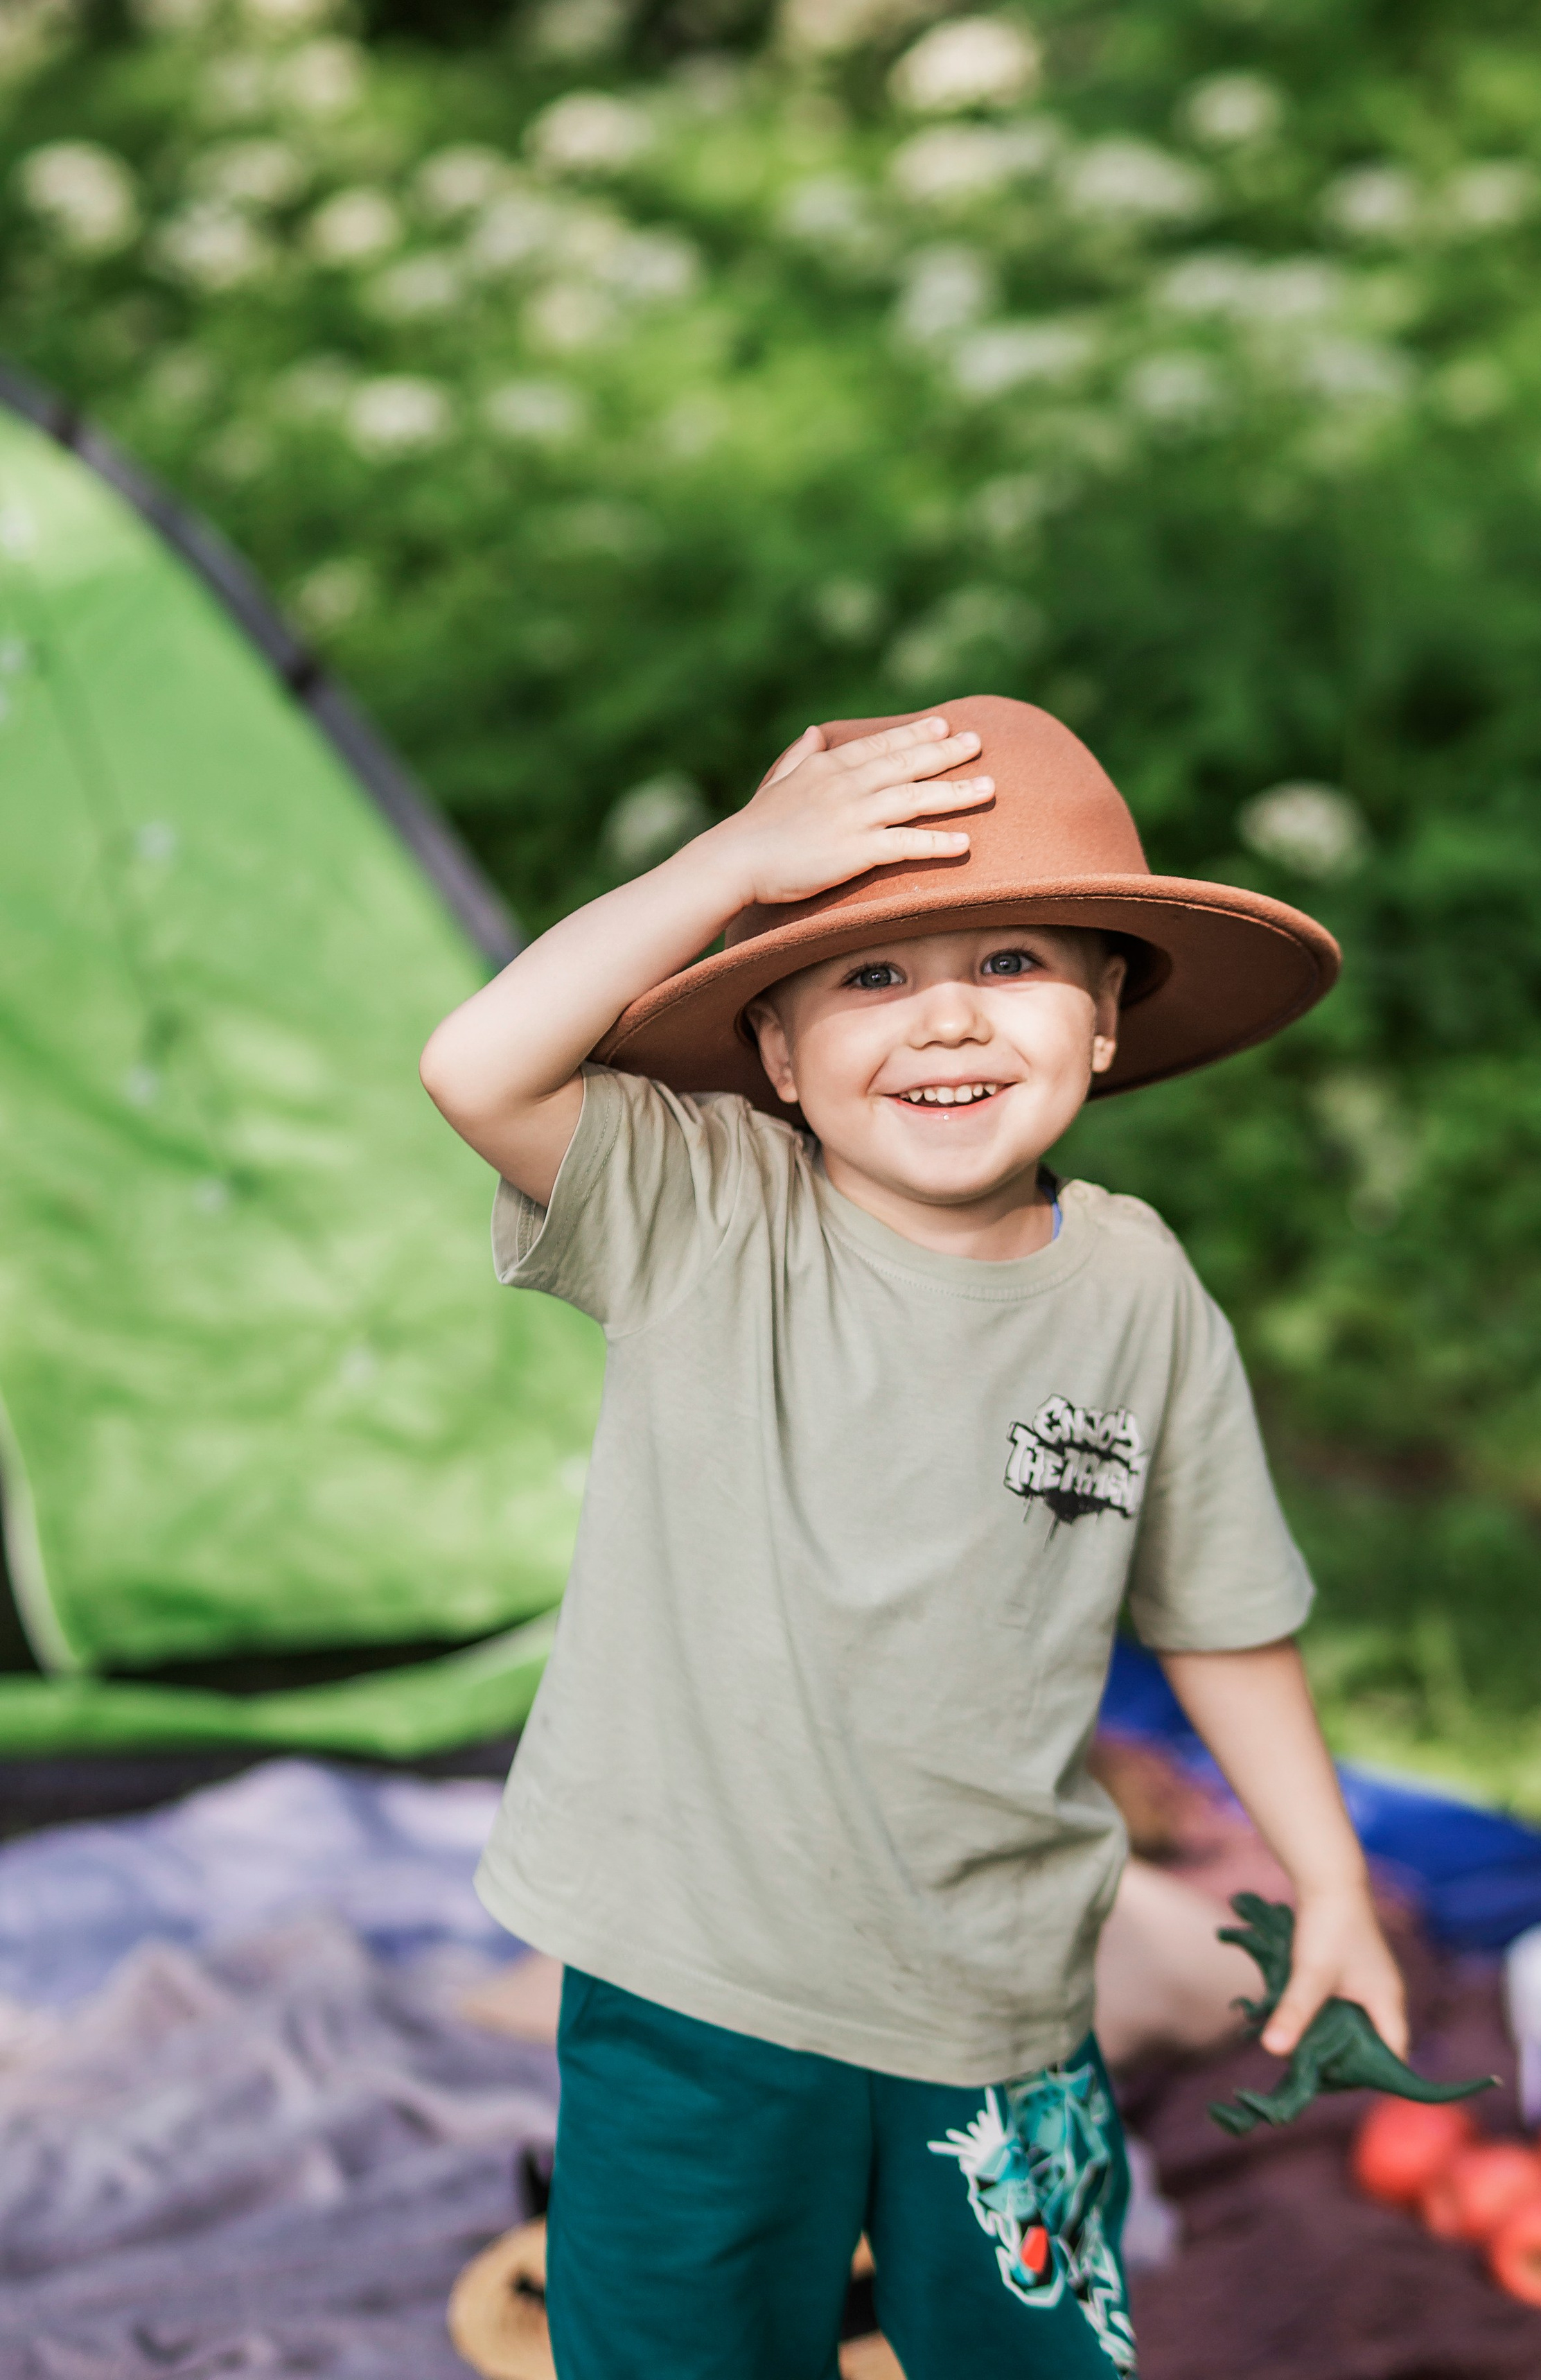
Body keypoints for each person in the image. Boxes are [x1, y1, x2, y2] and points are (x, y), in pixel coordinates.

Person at [420, 696, 1407, 2380]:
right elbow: (476, 1064)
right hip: (697, 1985)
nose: (944, 1015)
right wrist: (736, 860)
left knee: (1025, 2357)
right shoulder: (701, 1207)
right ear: (779, 1054)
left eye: (1012, 960)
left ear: (1104, 1019)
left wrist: (1327, 1878)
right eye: (871, 974)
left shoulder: (1133, 1287)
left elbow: (1221, 1609)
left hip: (1002, 1996)